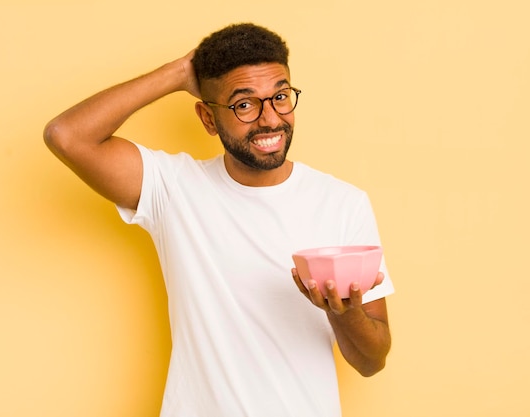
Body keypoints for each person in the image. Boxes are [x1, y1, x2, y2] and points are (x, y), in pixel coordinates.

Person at [44, 22, 394, 417]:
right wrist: (178, 73)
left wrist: (342, 312)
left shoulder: (343, 203)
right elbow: (66, 135)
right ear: (208, 119)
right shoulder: (173, 188)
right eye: (244, 104)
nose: (270, 119)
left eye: (280, 96)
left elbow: (371, 361)